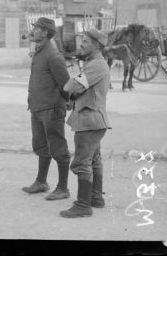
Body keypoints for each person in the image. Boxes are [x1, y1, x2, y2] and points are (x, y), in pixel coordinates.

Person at [60, 29, 111, 218]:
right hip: (95, 121)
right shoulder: (94, 63)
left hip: (89, 121)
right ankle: (96, 198)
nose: (81, 44)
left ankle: (83, 206)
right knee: (94, 160)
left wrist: (71, 85)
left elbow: (70, 87)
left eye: (86, 41)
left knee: (82, 162)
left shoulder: (95, 65)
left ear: (96, 45)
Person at [22, 17, 72, 200]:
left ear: (44, 32)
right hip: (37, 107)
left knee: (58, 147)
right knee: (41, 146)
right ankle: (41, 182)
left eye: (35, 28)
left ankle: (63, 188)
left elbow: (65, 84)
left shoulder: (53, 55)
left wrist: (64, 104)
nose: (32, 31)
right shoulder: (39, 50)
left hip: (51, 108)